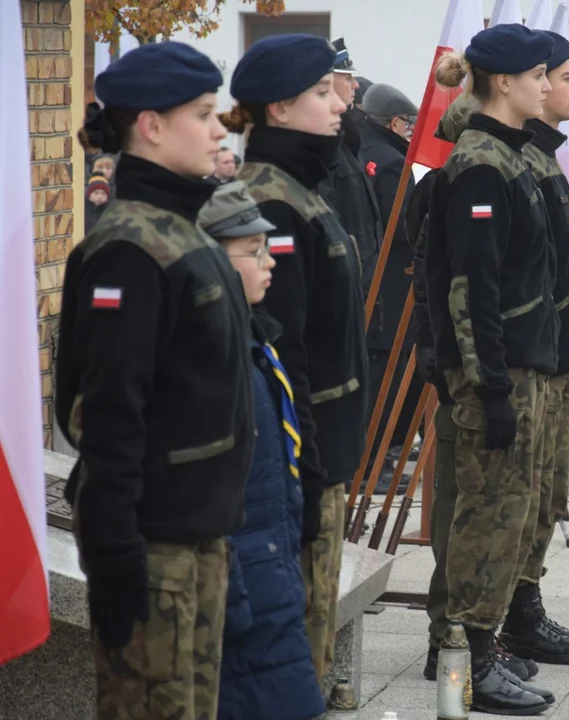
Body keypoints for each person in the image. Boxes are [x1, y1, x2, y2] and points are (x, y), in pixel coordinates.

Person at [55, 42, 254, 719]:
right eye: (202, 113)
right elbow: (111, 408)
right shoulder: (130, 248)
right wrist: (113, 555)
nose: (219, 128)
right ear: (152, 125)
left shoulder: (182, 231)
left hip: (195, 534)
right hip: (152, 545)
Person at [425, 23, 559, 715]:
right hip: (495, 377)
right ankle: (467, 664)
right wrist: (492, 387)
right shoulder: (481, 164)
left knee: (508, 517)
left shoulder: (507, 155)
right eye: (538, 73)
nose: (547, 83)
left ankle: (481, 652)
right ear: (502, 82)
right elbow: (471, 290)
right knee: (484, 520)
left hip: (522, 367)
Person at [224, 33, 364, 684]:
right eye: (319, 92)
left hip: (323, 445)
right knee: (299, 641)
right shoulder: (273, 200)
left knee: (313, 633)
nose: (338, 102)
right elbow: (287, 348)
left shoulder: (302, 185)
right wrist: (305, 469)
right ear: (278, 109)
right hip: (301, 452)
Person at [198, 182, 326, 720]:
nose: (270, 262)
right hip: (246, 586)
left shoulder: (252, 341)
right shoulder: (214, 355)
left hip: (270, 573)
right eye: (253, 252)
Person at [505, 29, 569, 670]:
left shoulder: (543, 157)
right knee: (507, 503)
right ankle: (476, 636)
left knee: (543, 495)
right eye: (561, 77)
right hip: (524, 359)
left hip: (555, 354)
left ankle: (522, 610)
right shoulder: (499, 163)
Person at [359, 82, 424, 494]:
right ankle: (375, 460)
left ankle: (381, 456)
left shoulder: (364, 152)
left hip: (378, 288)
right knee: (388, 374)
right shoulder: (390, 162)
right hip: (395, 288)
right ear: (396, 123)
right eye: (411, 125)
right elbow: (402, 227)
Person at [332, 37, 386, 293]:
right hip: (347, 290)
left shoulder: (347, 141)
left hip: (364, 288)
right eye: (347, 77)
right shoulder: (325, 148)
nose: (355, 84)